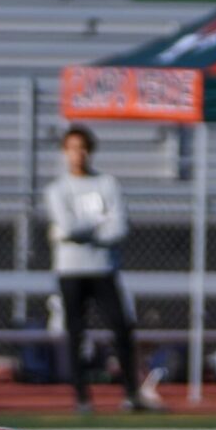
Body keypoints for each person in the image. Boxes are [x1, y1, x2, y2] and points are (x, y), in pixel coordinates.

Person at [45, 125, 160, 412]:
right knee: (76, 333)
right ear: (64, 152)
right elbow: (69, 225)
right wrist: (99, 221)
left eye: (82, 148)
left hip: (103, 269)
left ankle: (131, 393)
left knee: (121, 327)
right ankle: (82, 396)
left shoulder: (107, 184)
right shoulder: (57, 189)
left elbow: (118, 227)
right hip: (71, 270)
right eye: (72, 148)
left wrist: (80, 231)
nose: (78, 154)